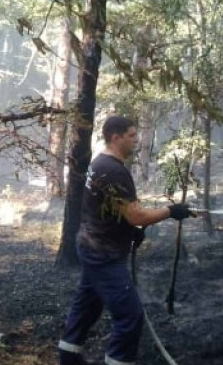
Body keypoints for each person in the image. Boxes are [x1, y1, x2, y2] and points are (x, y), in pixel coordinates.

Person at [57, 116, 195, 365]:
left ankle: (68, 357)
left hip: (92, 245)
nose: (137, 140)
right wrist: (170, 211)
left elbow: (110, 209)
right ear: (116, 137)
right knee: (130, 316)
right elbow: (135, 215)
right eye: (132, 135)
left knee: (86, 307)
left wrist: (129, 232)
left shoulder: (101, 163)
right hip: (103, 254)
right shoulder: (112, 170)